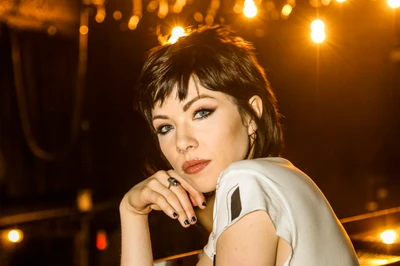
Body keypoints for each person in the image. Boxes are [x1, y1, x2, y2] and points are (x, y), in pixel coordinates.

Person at [119, 25, 360, 266]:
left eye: (201, 112)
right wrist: (132, 210)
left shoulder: (246, 181)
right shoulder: (277, 181)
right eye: (165, 127)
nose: (182, 143)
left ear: (250, 114)